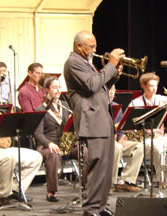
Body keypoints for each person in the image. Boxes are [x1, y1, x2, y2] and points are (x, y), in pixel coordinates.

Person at [64, 30, 124, 216]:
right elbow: (91, 85)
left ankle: (100, 206)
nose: (95, 50)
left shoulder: (85, 63)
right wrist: (110, 66)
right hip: (91, 121)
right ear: (79, 46)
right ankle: (91, 210)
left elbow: (101, 86)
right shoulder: (73, 62)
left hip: (101, 120)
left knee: (105, 169)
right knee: (96, 168)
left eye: (95, 46)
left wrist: (114, 73)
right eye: (91, 46)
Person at [34, 76, 89, 202]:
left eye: (59, 87)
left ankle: (86, 188)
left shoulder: (64, 106)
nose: (58, 90)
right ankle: (51, 191)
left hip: (66, 144)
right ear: (46, 90)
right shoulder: (40, 109)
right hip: (47, 146)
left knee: (85, 152)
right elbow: (38, 134)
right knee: (53, 154)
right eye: (54, 87)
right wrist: (49, 144)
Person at [109, 84, 143, 193]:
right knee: (117, 147)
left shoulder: (117, 107)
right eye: (109, 89)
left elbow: (121, 128)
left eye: (113, 89)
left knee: (139, 146)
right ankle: (109, 183)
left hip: (116, 142)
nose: (111, 92)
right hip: (102, 143)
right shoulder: (96, 106)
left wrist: (122, 136)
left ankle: (126, 181)